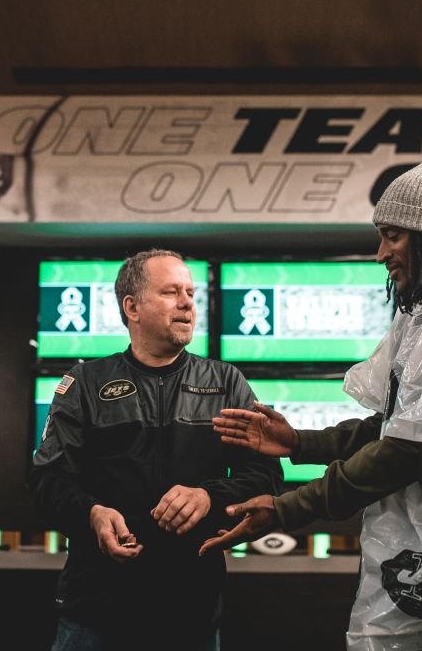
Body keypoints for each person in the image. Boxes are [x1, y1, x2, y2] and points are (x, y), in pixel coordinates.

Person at [203, 157, 422, 650]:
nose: (380, 253)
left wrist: (289, 508)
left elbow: (412, 448)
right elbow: (398, 425)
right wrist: (300, 441)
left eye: (393, 235)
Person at [32, 249, 282, 651]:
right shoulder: (84, 383)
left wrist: (208, 496)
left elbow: (266, 476)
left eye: (190, 293)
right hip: (94, 610)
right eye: (170, 292)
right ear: (131, 307)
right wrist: (91, 514)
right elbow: (47, 480)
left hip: (191, 612)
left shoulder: (226, 382)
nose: (186, 302)